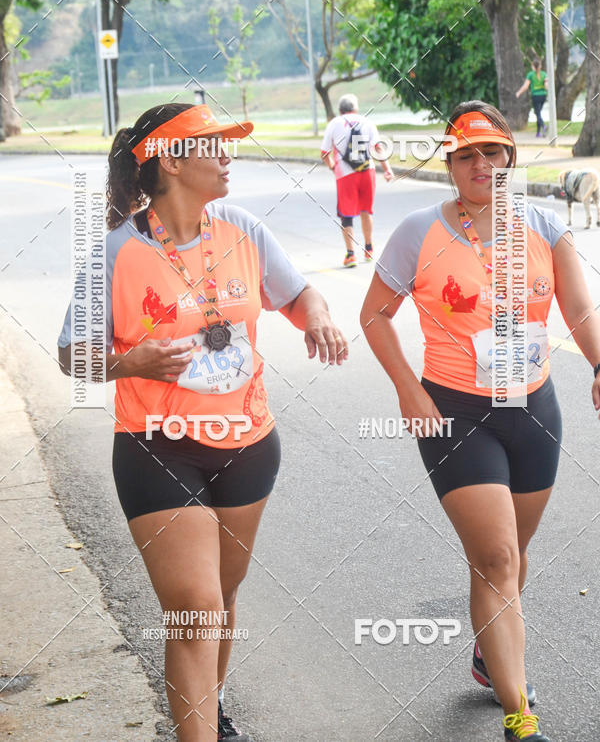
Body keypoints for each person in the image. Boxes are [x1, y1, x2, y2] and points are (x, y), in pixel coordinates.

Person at [58, 102, 348, 742]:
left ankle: (207, 714)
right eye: (211, 144)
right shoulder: (115, 251)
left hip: (248, 442)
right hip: (159, 449)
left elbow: (297, 294)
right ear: (169, 159)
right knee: (194, 612)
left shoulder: (242, 227)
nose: (227, 156)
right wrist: (127, 359)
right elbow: (69, 353)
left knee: (221, 596)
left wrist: (318, 317)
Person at [360, 100, 600, 741]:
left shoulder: (545, 227)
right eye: (466, 154)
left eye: (492, 151)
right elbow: (374, 315)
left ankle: (489, 656)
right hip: (456, 412)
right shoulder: (420, 231)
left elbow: (577, 307)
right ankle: (521, 717)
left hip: (535, 409)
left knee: (510, 556)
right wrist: (409, 390)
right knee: (495, 558)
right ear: (450, 163)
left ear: (509, 158)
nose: (481, 164)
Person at [320, 93, 394, 268]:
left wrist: (332, 166)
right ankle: (368, 248)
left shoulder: (334, 124)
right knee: (366, 210)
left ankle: (351, 254)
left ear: (340, 110)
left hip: (345, 175)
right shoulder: (367, 122)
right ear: (356, 108)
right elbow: (378, 148)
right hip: (368, 171)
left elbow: (324, 153)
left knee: (346, 215)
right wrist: (387, 169)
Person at [516, 58, 548, 137]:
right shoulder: (544, 74)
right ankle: (538, 133)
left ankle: (543, 126)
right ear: (540, 66)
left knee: (537, 113)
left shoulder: (530, 74)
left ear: (533, 66)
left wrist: (519, 92)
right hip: (543, 96)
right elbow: (546, 86)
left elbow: (526, 86)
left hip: (535, 96)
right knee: (538, 113)